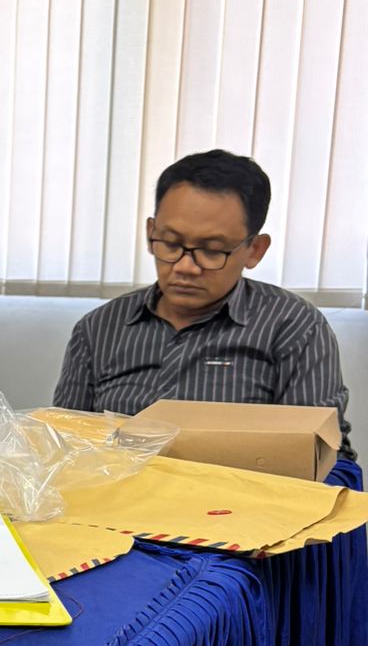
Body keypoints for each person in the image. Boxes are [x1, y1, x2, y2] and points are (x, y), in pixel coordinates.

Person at [53, 150, 353, 456]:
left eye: (212, 250)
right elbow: (59, 444)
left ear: (255, 250)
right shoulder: (99, 328)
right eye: (170, 243)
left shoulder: (294, 327)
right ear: (150, 232)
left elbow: (323, 455)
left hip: (236, 487)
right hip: (116, 484)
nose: (185, 267)